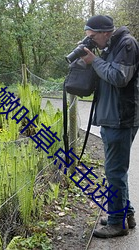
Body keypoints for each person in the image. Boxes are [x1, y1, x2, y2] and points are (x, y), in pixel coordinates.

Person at [81, 15, 139, 238]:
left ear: (105, 32)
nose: (92, 41)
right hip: (111, 117)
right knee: (115, 171)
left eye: (93, 37)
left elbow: (118, 77)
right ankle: (126, 214)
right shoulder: (110, 46)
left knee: (115, 172)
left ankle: (117, 223)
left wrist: (94, 61)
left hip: (121, 118)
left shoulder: (127, 44)